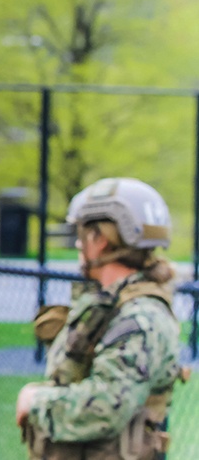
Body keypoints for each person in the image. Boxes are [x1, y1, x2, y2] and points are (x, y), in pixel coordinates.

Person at [17, 177, 185, 459]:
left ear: (100, 239)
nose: (78, 244)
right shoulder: (110, 304)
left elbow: (107, 407)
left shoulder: (142, 317)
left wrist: (35, 401)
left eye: (82, 232)